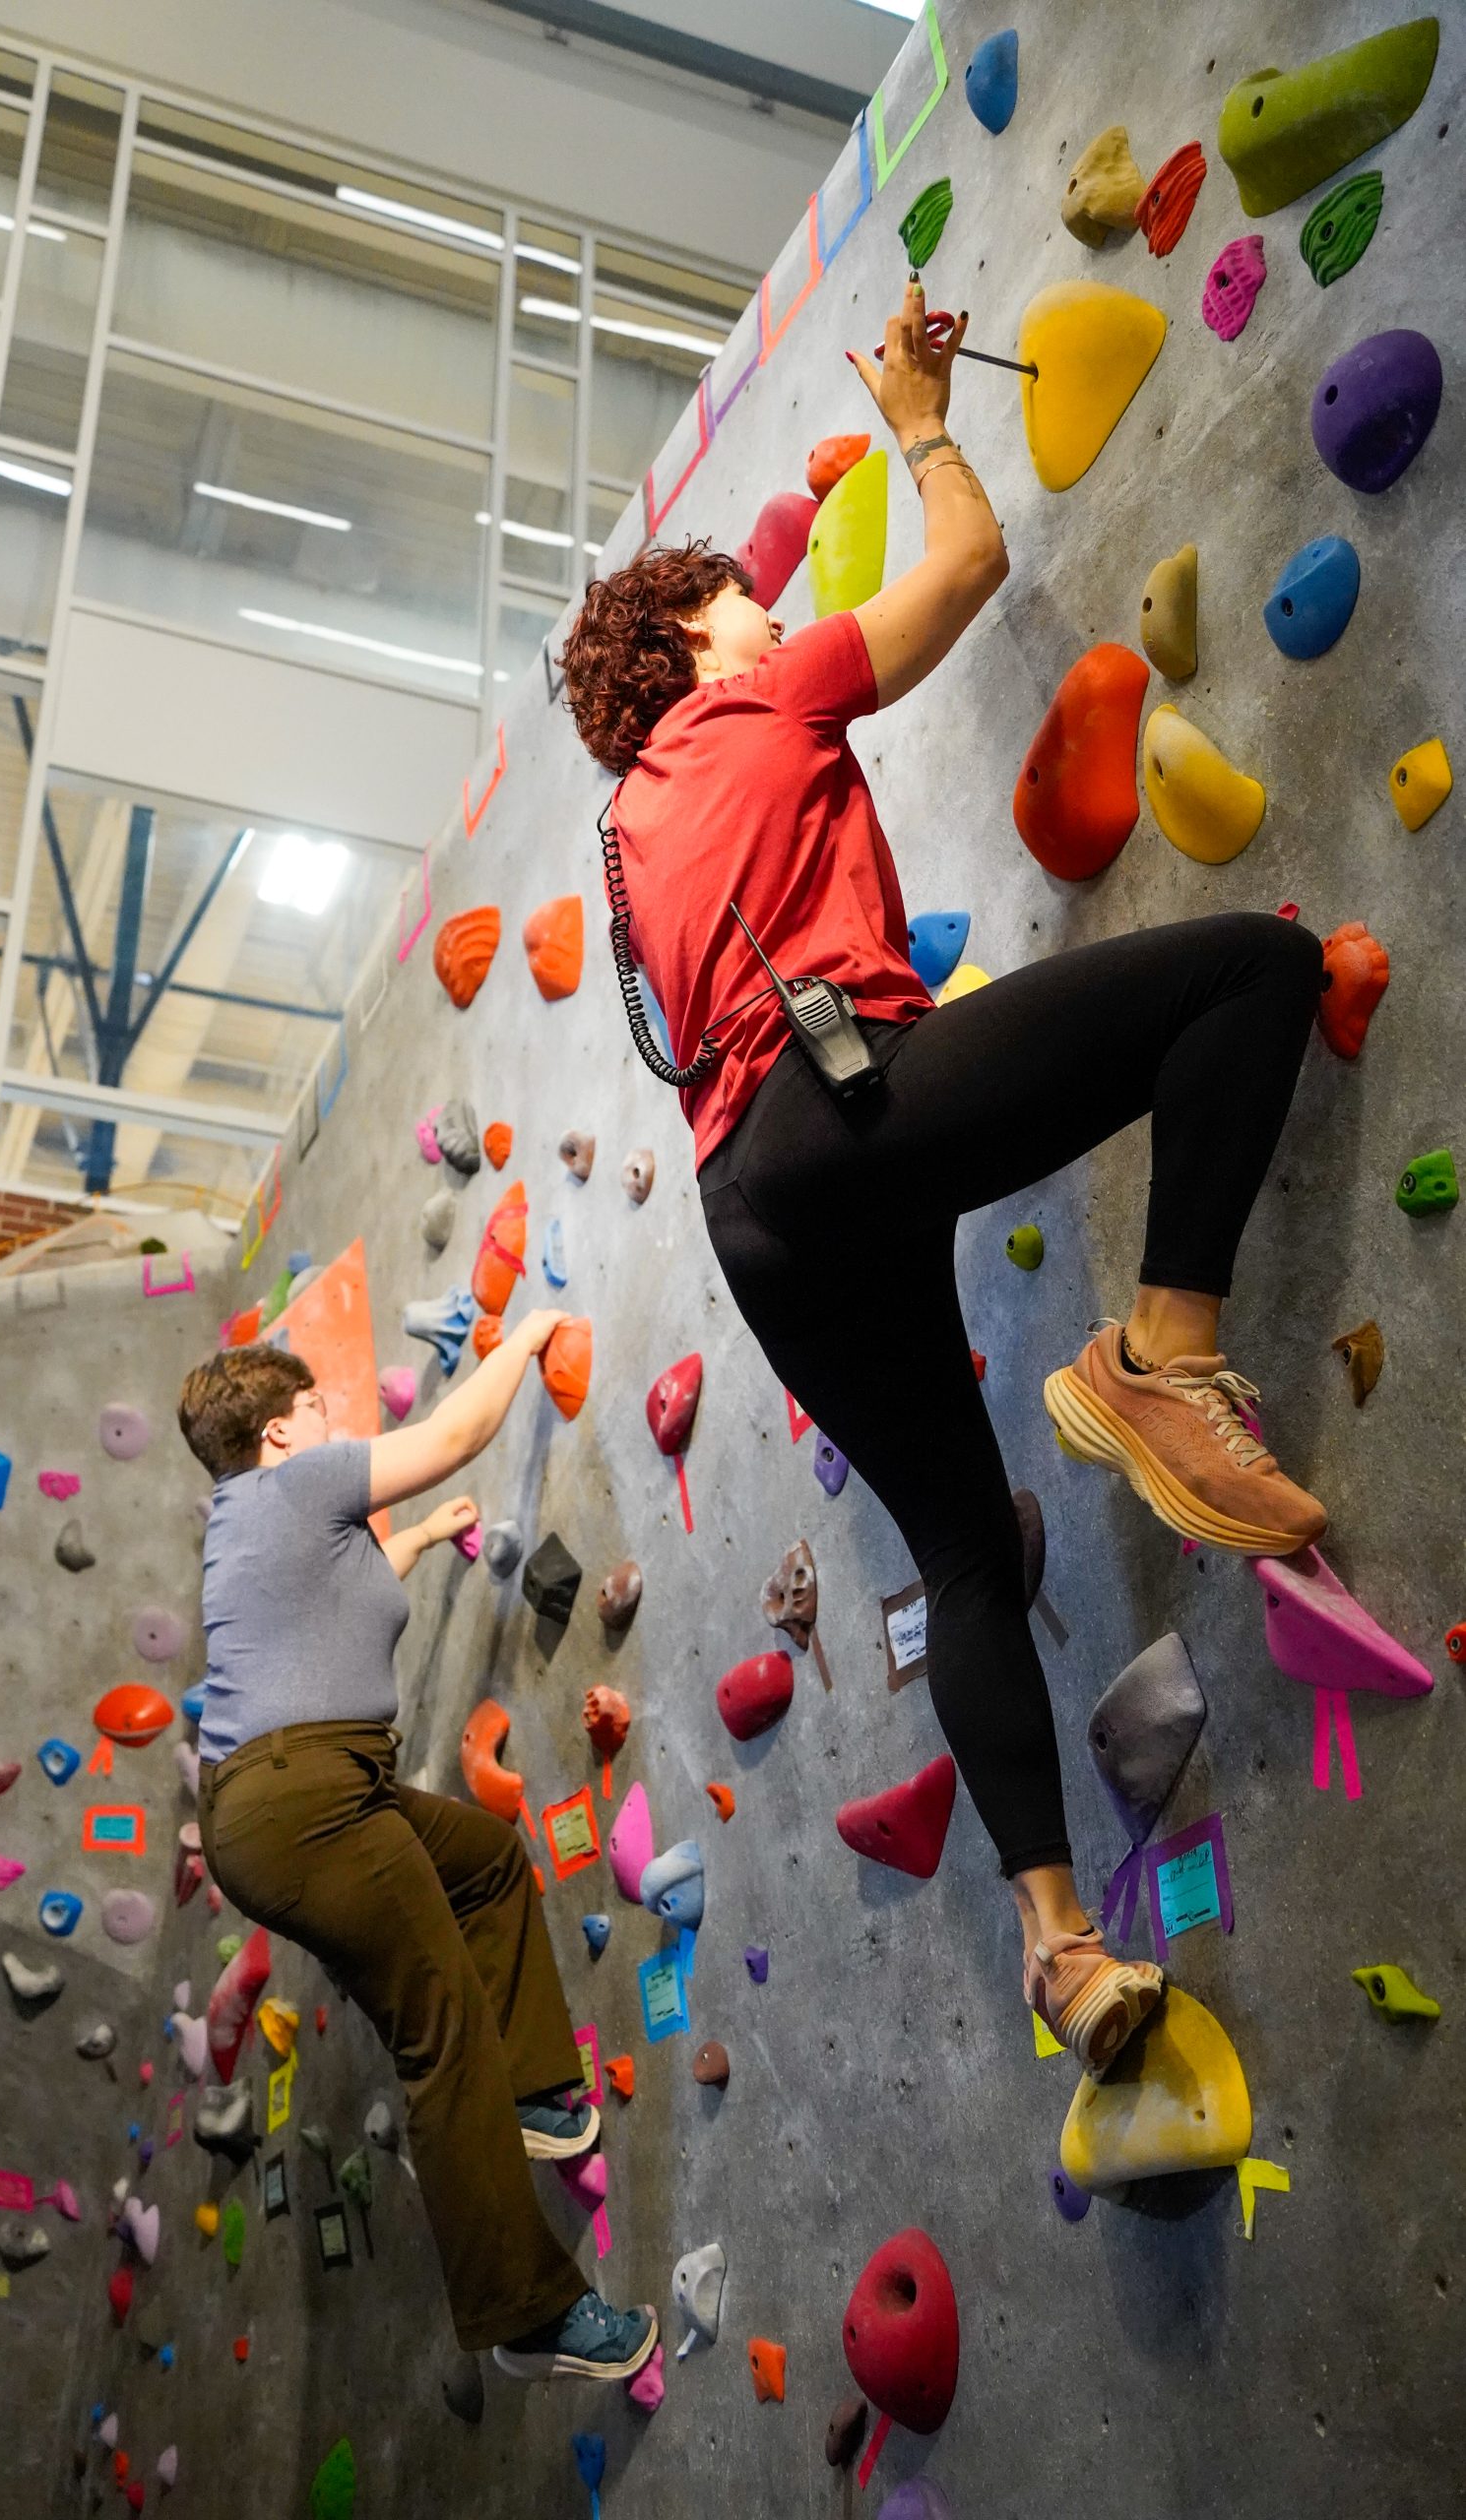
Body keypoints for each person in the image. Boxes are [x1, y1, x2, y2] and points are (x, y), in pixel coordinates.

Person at [560, 275, 1327, 2076]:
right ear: (694, 642)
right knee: (1249, 975)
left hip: (763, 1208)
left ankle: (1062, 1951)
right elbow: (961, 572)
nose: (774, 610)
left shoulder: (623, 835)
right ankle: (1157, 1350)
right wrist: (916, 423)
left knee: (966, 1559)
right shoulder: (741, 708)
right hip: (846, 1106)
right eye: (747, 599)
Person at [176, 1324, 657, 2382]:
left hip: (305, 1791)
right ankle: (526, 2314)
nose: (332, 1422)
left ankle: (534, 2095)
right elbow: (456, 1427)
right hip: (307, 1801)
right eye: (315, 1411)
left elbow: (339, 1603)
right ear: (274, 1433)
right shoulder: (294, 1485)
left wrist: (424, 1535)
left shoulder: (258, 1521)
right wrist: (527, 1333)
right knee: (442, 2037)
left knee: (485, 1861)